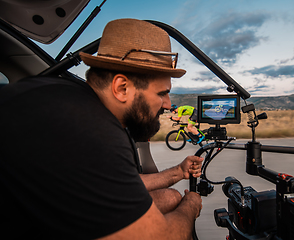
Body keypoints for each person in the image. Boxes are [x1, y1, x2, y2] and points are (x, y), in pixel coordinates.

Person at [0, 19, 202, 239]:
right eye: (162, 93)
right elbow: (159, 237)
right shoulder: (89, 128)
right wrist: (191, 205)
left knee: (172, 197)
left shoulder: (68, 97)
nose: (167, 104)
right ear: (122, 88)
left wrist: (178, 172)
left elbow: (118, 183)